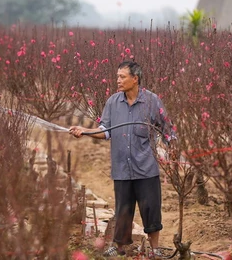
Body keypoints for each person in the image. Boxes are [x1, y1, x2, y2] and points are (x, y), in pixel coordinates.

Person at [69, 61, 176, 259]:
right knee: (123, 209)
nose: (117, 81)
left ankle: (155, 249)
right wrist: (85, 131)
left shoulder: (152, 101)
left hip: (146, 168)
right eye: (117, 77)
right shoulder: (112, 102)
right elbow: (105, 131)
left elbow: (168, 129)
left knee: (150, 209)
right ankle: (119, 247)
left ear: (135, 79)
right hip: (121, 167)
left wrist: (172, 149)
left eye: (122, 77)